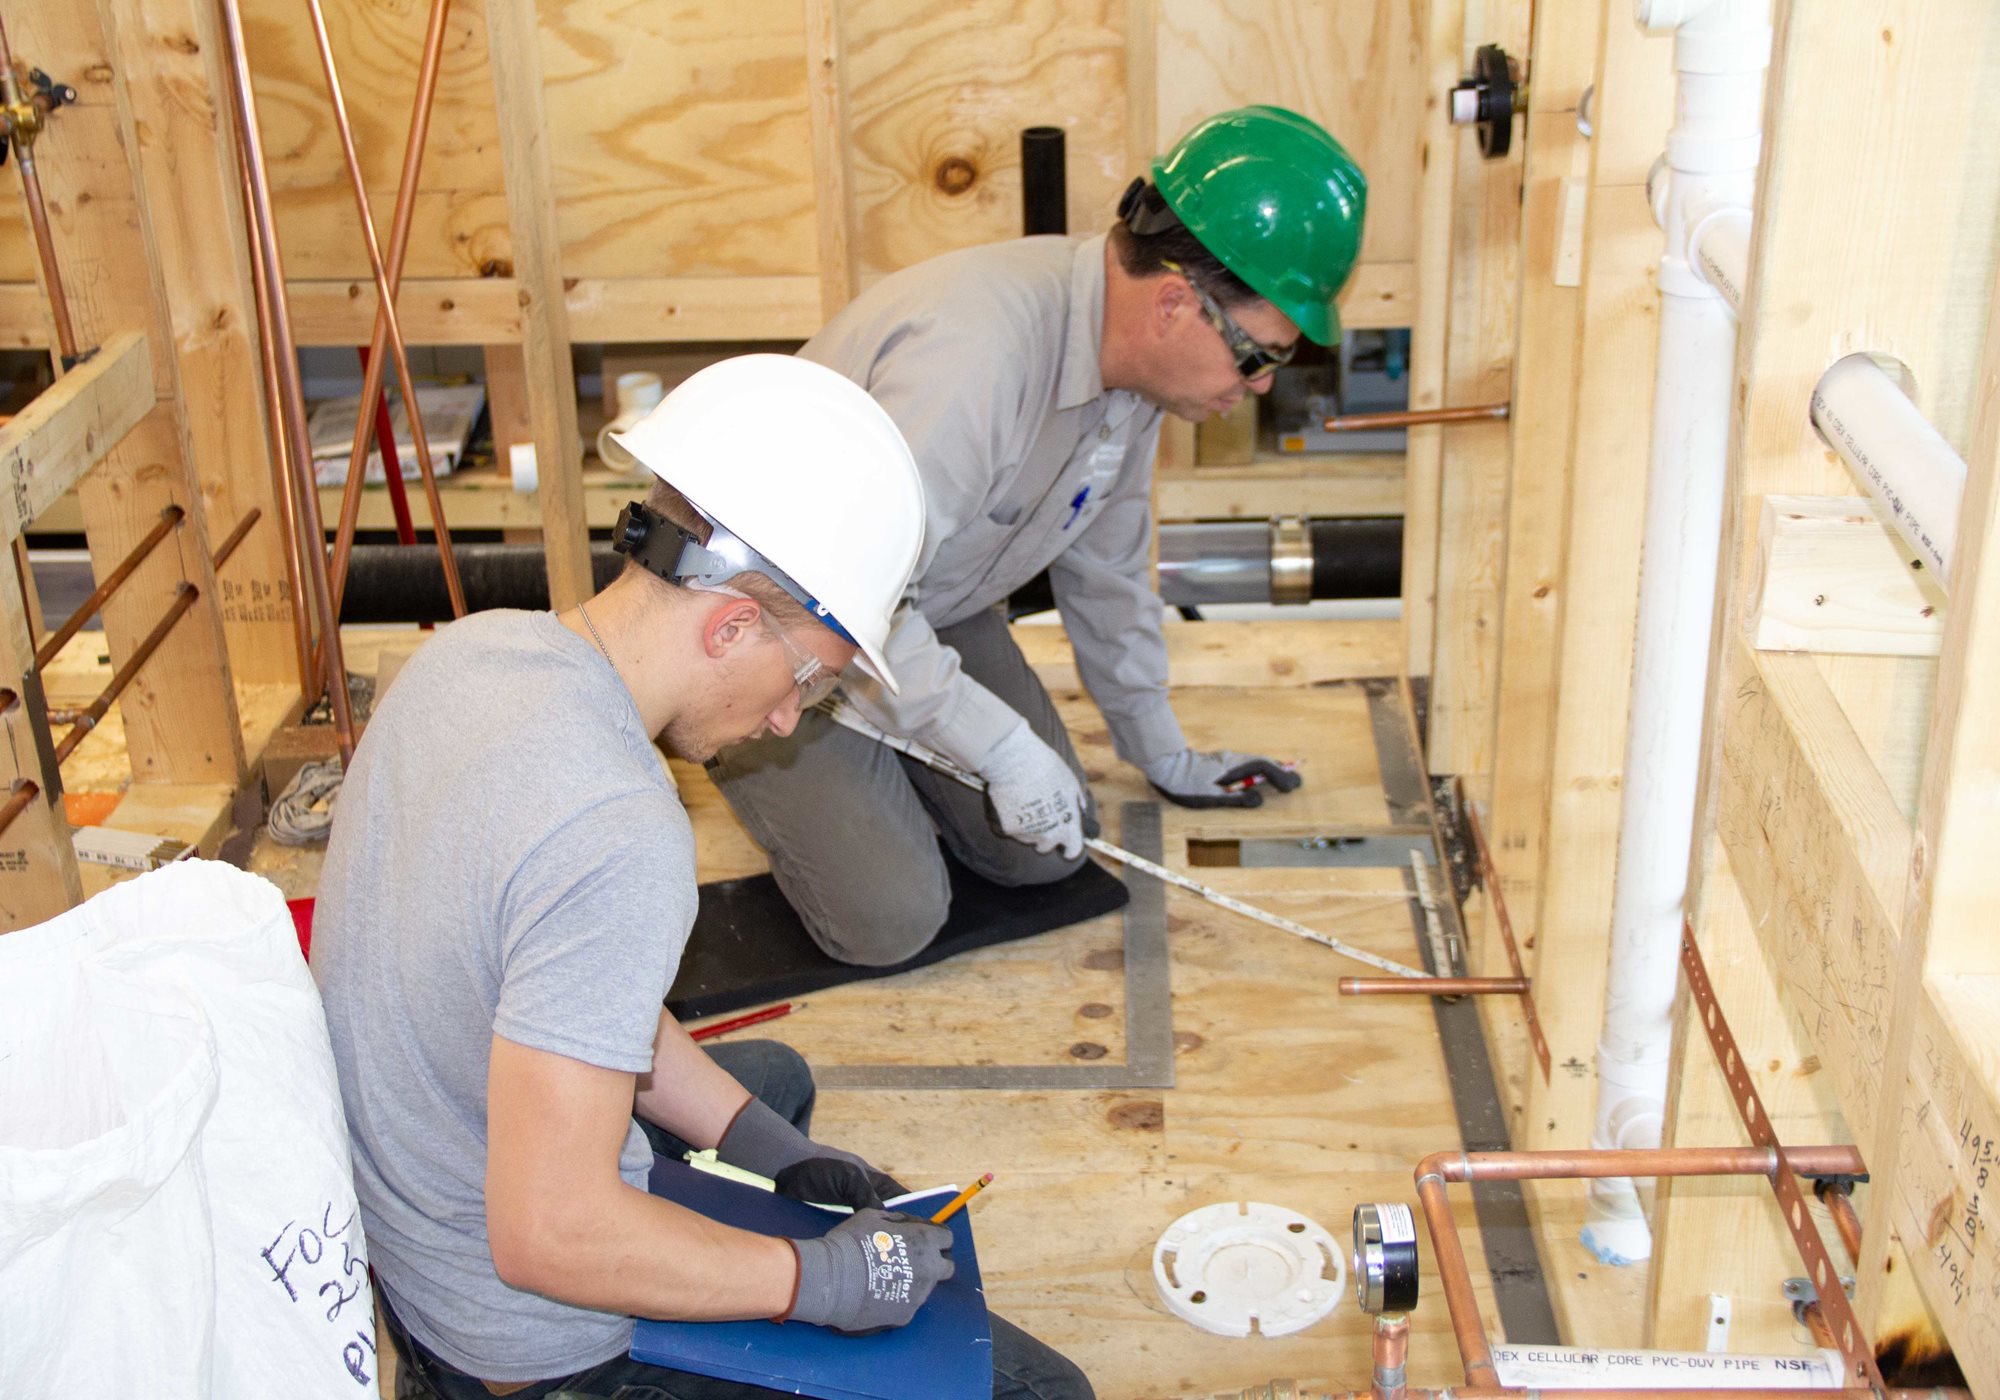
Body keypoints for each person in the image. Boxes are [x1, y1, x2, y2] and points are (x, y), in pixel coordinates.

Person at [311, 355, 1093, 1400]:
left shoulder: (471, 652)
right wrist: (807, 1277)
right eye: (809, 680)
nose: (784, 718)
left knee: (773, 1086)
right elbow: (549, 1234)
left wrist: (749, 1137)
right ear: (728, 623)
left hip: (409, 1235)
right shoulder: (619, 824)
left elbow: (570, 977)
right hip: (533, 1343)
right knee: (1049, 1392)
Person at [710, 106, 1368, 967]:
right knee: (890, 918)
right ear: (1178, 302)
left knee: (1050, 846)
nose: (1258, 386)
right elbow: (843, 595)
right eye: (1260, 357)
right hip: (772, 617)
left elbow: (1110, 576)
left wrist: (1162, 751)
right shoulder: (976, 357)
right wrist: (996, 746)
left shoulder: (1133, 384)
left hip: (920, 603)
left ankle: (898, 760)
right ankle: (746, 744)